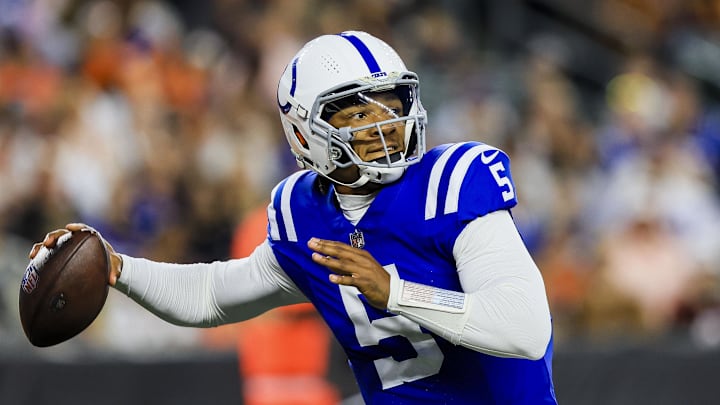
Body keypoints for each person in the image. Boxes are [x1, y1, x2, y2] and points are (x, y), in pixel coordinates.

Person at [31, 31, 557, 404]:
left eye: (392, 104)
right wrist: (118, 269)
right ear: (305, 133)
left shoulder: (456, 181)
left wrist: (396, 294)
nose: (385, 124)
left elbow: (525, 327)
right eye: (357, 111)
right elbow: (214, 294)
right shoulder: (301, 214)